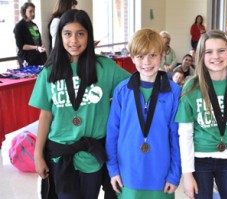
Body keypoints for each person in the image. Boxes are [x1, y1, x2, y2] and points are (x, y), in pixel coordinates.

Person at [29, 9, 130, 199]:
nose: (74, 40)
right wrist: (38, 154)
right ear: (60, 36)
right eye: (68, 34)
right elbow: (45, 115)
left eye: (80, 34)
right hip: (60, 154)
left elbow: (134, 88)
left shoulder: (105, 67)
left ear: (89, 36)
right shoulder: (49, 72)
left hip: (92, 154)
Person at [175, 29, 227, 199]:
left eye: (221, 50)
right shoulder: (191, 87)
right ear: (201, 56)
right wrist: (187, 174)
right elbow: (185, 134)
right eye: (209, 52)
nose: (216, 56)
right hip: (200, 160)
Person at [106, 28, 181, 199]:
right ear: (132, 58)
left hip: (161, 177)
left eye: (153, 55)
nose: (147, 62)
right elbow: (112, 134)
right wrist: (113, 170)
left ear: (162, 55)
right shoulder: (122, 91)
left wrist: (175, 173)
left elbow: (176, 136)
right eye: (140, 56)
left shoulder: (174, 92)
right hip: (128, 176)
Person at [13, 2, 47, 67]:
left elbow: (38, 38)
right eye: (30, 11)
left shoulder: (34, 25)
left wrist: (42, 45)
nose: (33, 13)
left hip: (39, 57)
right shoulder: (19, 26)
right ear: (24, 11)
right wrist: (36, 47)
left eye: (33, 11)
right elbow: (21, 46)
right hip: (27, 58)